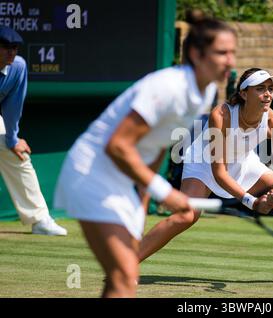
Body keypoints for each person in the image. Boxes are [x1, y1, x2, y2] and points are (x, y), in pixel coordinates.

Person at [53, 15, 237, 297]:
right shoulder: (169, 88)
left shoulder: (206, 91)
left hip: (120, 181)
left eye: (232, 52)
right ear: (196, 54)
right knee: (125, 276)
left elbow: (159, 146)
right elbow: (117, 145)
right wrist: (163, 189)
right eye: (222, 53)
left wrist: (140, 205)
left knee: (122, 278)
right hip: (90, 174)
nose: (230, 61)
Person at [138, 68, 273, 285]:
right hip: (204, 163)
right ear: (243, 93)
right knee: (187, 215)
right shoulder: (221, 115)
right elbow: (219, 172)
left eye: (270, 89)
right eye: (260, 89)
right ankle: (128, 263)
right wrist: (252, 202)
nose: (268, 94)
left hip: (243, 161)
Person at [0, 26, 67, 236]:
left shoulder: (17, 67)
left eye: (15, 47)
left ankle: (39, 220)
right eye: (6, 47)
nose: (12, 52)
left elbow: (13, 107)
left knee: (17, 155)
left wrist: (12, 139)